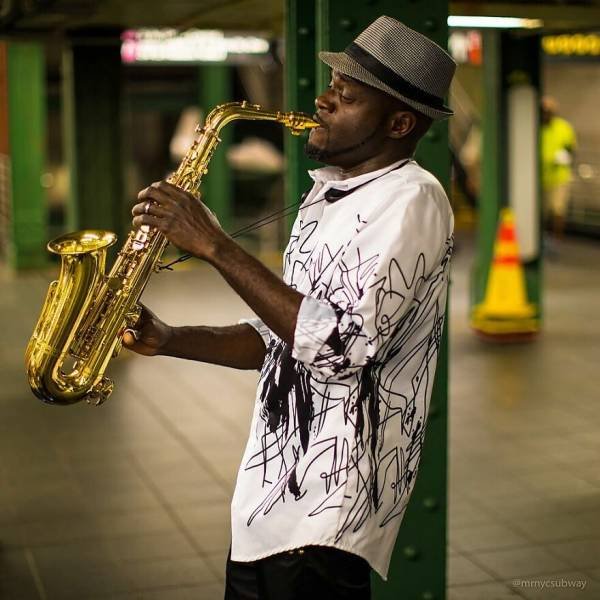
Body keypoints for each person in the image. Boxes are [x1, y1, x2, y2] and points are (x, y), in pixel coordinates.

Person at [125, 15, 456, 600]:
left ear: (400, 122)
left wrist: (216, 246)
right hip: (272, 495)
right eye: (331, 86)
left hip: (329, 507)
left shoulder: (413, 199)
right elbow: (287, 335)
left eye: (347, 96)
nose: (323, 101)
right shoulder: (326, 193)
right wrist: (171, 339)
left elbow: (337, 349)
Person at [541, 96, 577, 239]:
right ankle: (541, 238)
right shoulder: (535, 127)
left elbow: (571, 149)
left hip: (559, 177)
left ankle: (557, 239)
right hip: (541, 176)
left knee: (558, 210)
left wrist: (563, 158)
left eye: (548, 111)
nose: (545, 115)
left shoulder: (564, 128)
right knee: (541, 211)